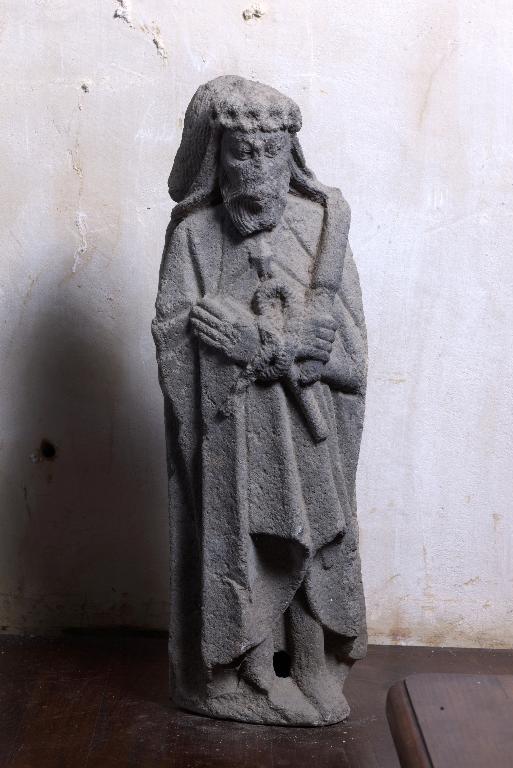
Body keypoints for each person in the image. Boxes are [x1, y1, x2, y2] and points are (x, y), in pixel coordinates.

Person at [152, 75, 367, 726]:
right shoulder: (194, 237)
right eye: (242, 152)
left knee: (316, 538)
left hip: (307, 437)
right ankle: (242, 674)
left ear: (291, 157)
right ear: (217, 158)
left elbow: (351, 358)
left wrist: (297, 348)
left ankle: (311, 663)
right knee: (242, 548)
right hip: (234, 441)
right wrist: (233, 350)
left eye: (272, 152)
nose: (258, 169)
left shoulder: (320, 230)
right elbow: (174, 336)